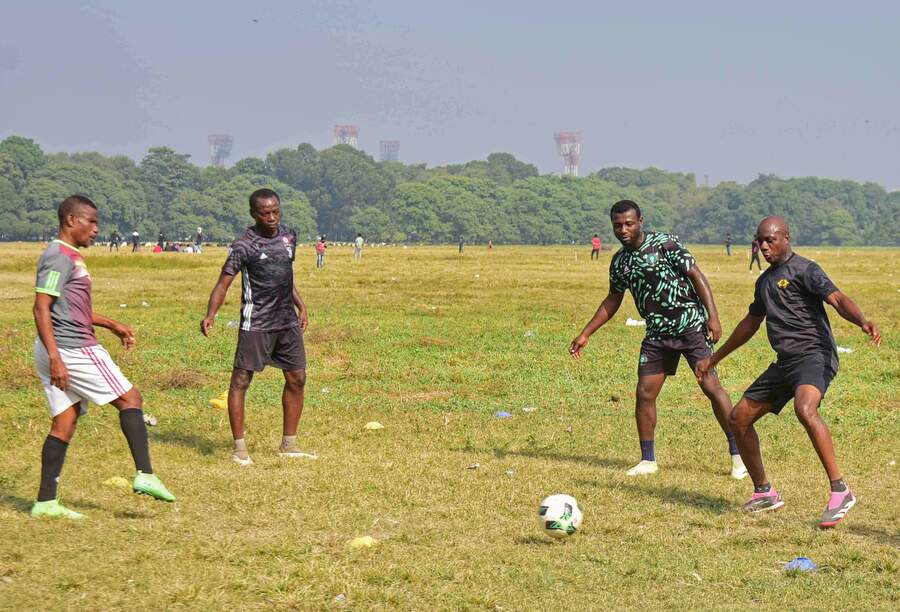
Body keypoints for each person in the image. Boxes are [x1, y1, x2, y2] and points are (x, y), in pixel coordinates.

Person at [695, 216, 880, 528]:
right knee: (738, 419)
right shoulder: (764, 282)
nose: (764, 246)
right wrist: (714, 359)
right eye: (760, 241)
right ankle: (764, 492)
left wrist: (862, 321)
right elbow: (750, 324)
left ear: (786, 238)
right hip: (785, 363)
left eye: (770, 240)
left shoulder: (806, 269)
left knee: (805, 408)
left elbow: (837, 299)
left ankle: (840, 491)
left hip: (815, 355)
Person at [570, 200, 746, 478]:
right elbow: (613, 299)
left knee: (711, 387)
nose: (623, 230)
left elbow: (696, 276)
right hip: (657, 333)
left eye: (629, 224)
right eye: (617, 225)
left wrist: (713, 316)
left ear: (640, 221)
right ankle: (647, 460)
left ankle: (739, 456)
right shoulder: (620, 262)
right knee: (645, 393)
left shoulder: (665, 244)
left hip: (690, 326)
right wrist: (586, 333)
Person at [31, 196, 175, 519]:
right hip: (72, 348)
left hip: (62, 347)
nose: (96, 229)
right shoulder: (59, 256)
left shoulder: (70, 255)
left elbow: (69, 307)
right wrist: (56, 357)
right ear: (72, 220)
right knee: (130, 398)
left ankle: (45, 503)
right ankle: (145, 474)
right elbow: (41, 308)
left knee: (64, 423)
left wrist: (110, 323)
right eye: (91, 221)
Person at [201, 188, 310, 465]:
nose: (271, 218)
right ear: (254, 214)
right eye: (265, 213)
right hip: (256, 321)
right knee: (241, 380)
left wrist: (301, 306)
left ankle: (289, 445)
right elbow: (223, 283)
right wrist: (211, 314)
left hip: (286, 321)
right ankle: (239, 449)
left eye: (275, 212)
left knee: (297, 378)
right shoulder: (243, 245)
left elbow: (285, 277)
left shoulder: (289, 237)